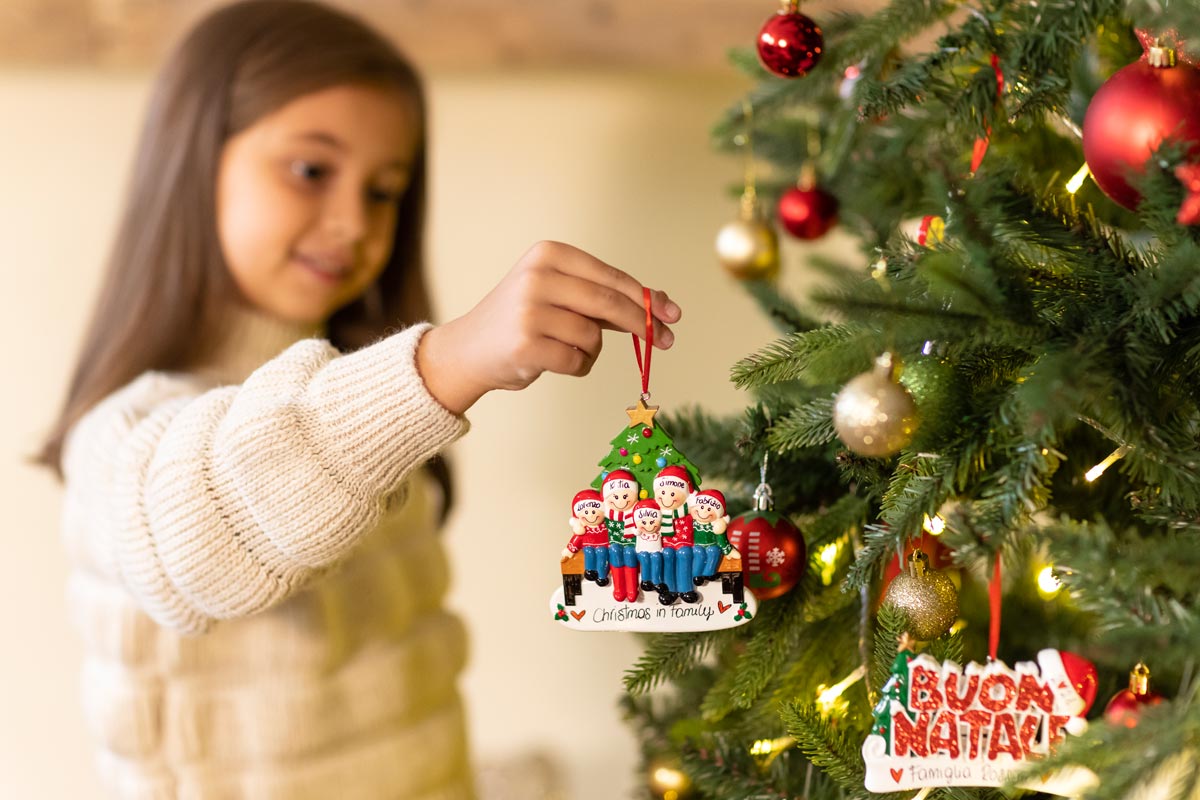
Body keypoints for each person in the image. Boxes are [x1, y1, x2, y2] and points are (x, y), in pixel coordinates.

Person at [32, 1, 681, 797]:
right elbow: (197, 540)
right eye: (311, 169)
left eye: (384, 191)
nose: (351, 223)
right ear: (191, 164)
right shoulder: (127, 429)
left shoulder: (364, 422)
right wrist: (445, 360)